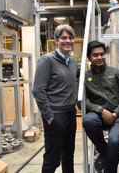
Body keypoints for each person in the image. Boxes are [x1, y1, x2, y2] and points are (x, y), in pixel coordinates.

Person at [32, 24, 79, 173]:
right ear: (56, 40)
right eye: (64, 38)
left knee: (68, 155)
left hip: (70, 113)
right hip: (55, 115)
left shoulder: (72, 61)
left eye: (70, 38)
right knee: (52, 158)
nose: (68, 41)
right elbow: (38, 90)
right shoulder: (47, 60)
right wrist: (49, 116)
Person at [82, 40, 119, 173]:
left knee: (114, 142)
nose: (99, 57)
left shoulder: (116, 72)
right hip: (98, 116)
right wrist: (101, 110)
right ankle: (103, 150)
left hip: (118, 117)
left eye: (102, 54)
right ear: (89, 58)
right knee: (87, 120)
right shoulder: (85, 77)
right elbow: (81, 101)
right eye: (95, 55)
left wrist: (115, 113)